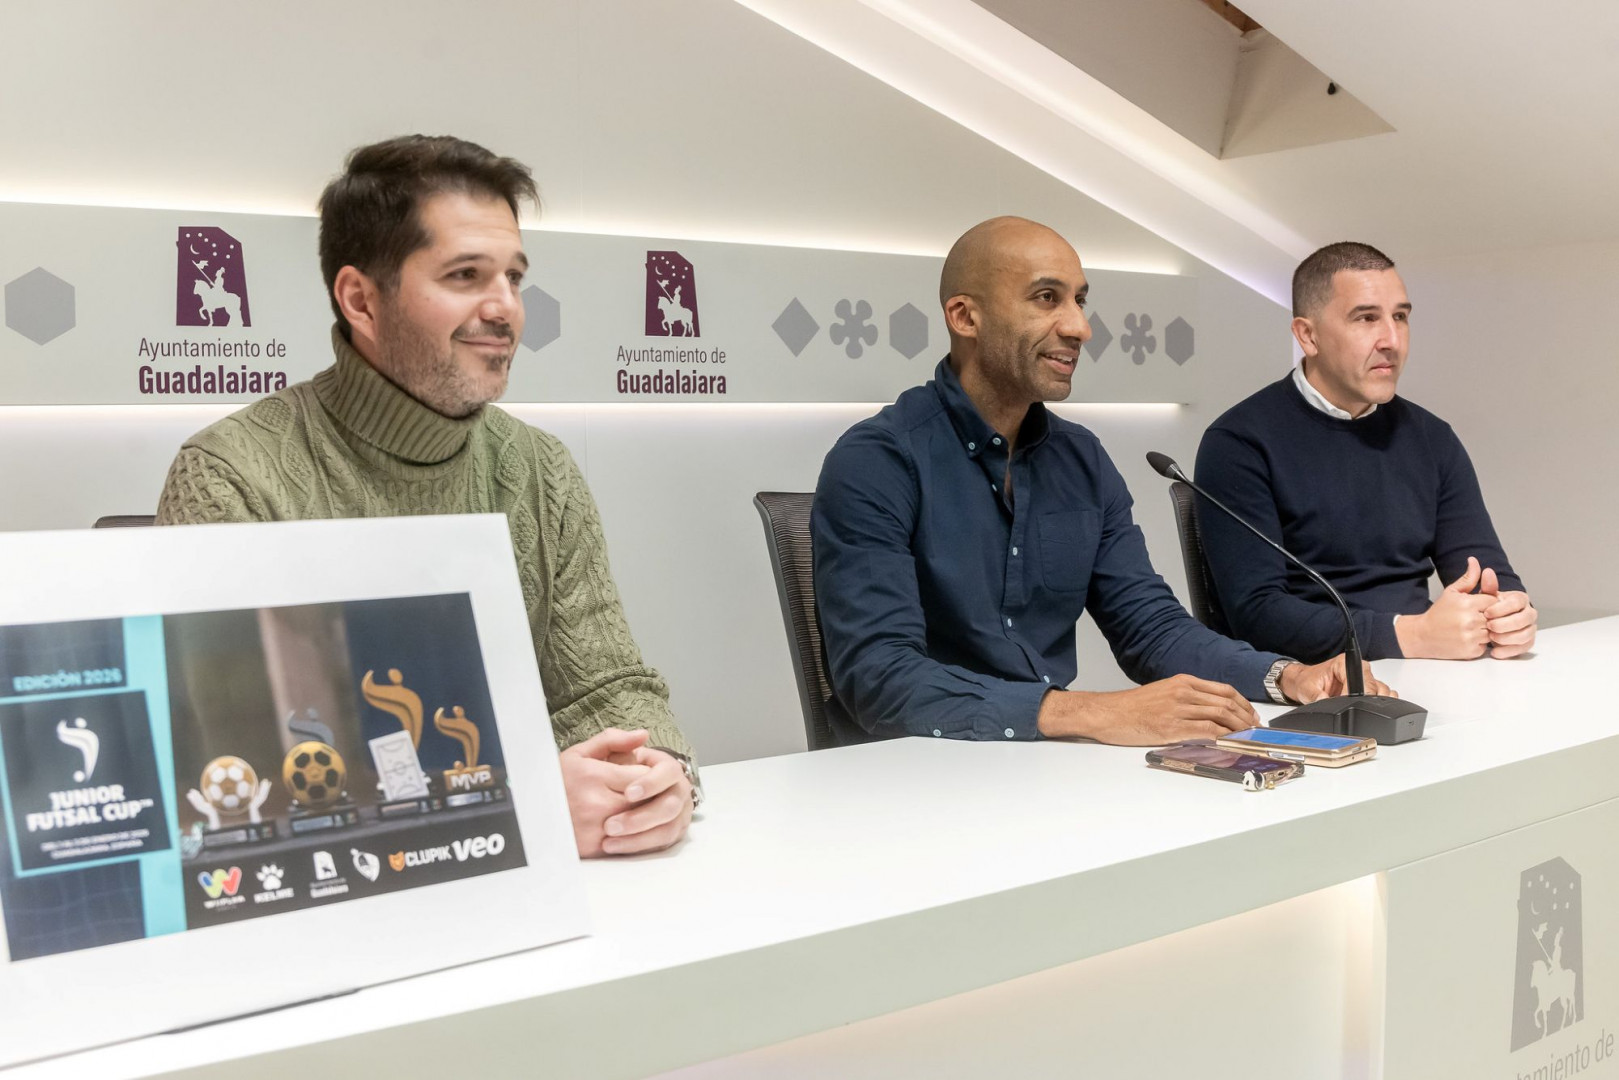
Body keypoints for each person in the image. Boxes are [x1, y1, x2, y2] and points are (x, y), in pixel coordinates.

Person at [155, 135, 698, 856]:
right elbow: (239, 768)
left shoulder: (539, 468)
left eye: (513, 277)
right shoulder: (229, 477)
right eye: (466, 275)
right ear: (360, 299)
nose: (506, 309)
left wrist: (652, 777)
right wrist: (518, 801)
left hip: (548, 896)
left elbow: (605, 686)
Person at [810, 216, 1389, 746]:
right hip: (908, 781)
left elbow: (1150, 628)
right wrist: (1088, 712)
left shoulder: (1082, 460)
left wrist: (1289, 676)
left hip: (1043, 771)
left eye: (1081, 301)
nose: (1081, 327)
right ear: (965, 317)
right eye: (1046, 299)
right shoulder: (877, 460)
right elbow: (880, 678)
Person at [1194, 242, 1535, 663]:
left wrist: (1508, 612)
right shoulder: (1239, 442)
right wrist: (1408, 635)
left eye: (1401, 317)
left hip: (1428, 667)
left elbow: (1484, 575)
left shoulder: (1432, 437)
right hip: (1306, 685)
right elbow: (1258, 613)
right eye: (1366, 318)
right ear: (1308, 335)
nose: (1391, 340)